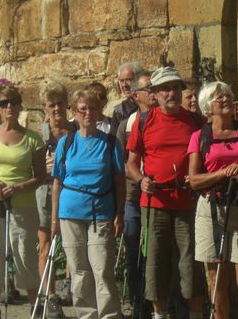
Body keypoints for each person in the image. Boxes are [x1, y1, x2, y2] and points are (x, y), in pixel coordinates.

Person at [126, 67, 206, 319]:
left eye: (175, 87)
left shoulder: (195, 121)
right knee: (156, 264)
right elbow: (130, 163)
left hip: (186, 201)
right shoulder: (143, 121)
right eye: (164, 88)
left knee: (191, 263)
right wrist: (142, 180)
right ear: (154, 93)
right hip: (154, 202)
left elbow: (205, 157)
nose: (170, 93)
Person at [188, 81, 238, 319]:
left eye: (227, 95)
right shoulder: (199, 137)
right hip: (210, 210)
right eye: (218, 97)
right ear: (207, 107)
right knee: (216, 279)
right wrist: (223, 173)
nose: (225, 100)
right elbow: (194, 180)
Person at [0, 84, 46, 319]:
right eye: (4, 103)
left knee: (25, 254)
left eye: (13, 102)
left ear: (19, 105)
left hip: (22, 205)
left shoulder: (33, 138)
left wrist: (20, 187)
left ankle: (34, 305)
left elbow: (41, 175)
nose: (9, 106)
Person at [51, 89, 126, 319]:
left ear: (99, 111)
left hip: (100, 212)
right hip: (70, 213)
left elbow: (119, 181)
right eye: (82, 109)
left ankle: (110, 316)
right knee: (79, 270)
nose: (87, 113)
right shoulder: (65, 143)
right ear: (74, 112)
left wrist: (119, 214)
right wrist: (54, 219)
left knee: (102, 268)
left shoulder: (111, 142)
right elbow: (57, 182)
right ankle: (87, 315)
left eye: (92, 108)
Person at [115, 70, 155, 312]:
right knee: (134, 254)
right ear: (137, 96)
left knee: (156, 255)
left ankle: (155, 304)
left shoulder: (165, 120)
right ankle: (137, 304)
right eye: (147, 89)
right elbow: (120, 163)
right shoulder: (126, 125)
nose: (153, 93)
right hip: (132, 197)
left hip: (158, 198)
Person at [37, 81, 75, 317]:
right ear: (45, 109)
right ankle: (50, 296)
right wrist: (43, 166)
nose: (56, 109)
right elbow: (31, 167)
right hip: (45, 191)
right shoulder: (40, 134)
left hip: (71, 191)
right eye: (51, 105)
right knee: (45, 244)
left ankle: (72, 288)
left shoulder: (76, 130)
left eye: (60, 103)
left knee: (72, 243)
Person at [110, 62, 143, 134]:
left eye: (129, 80)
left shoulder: (151, 104)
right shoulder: (119, 111)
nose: (124, 85)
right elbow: (113, 140)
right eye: (121, 81)